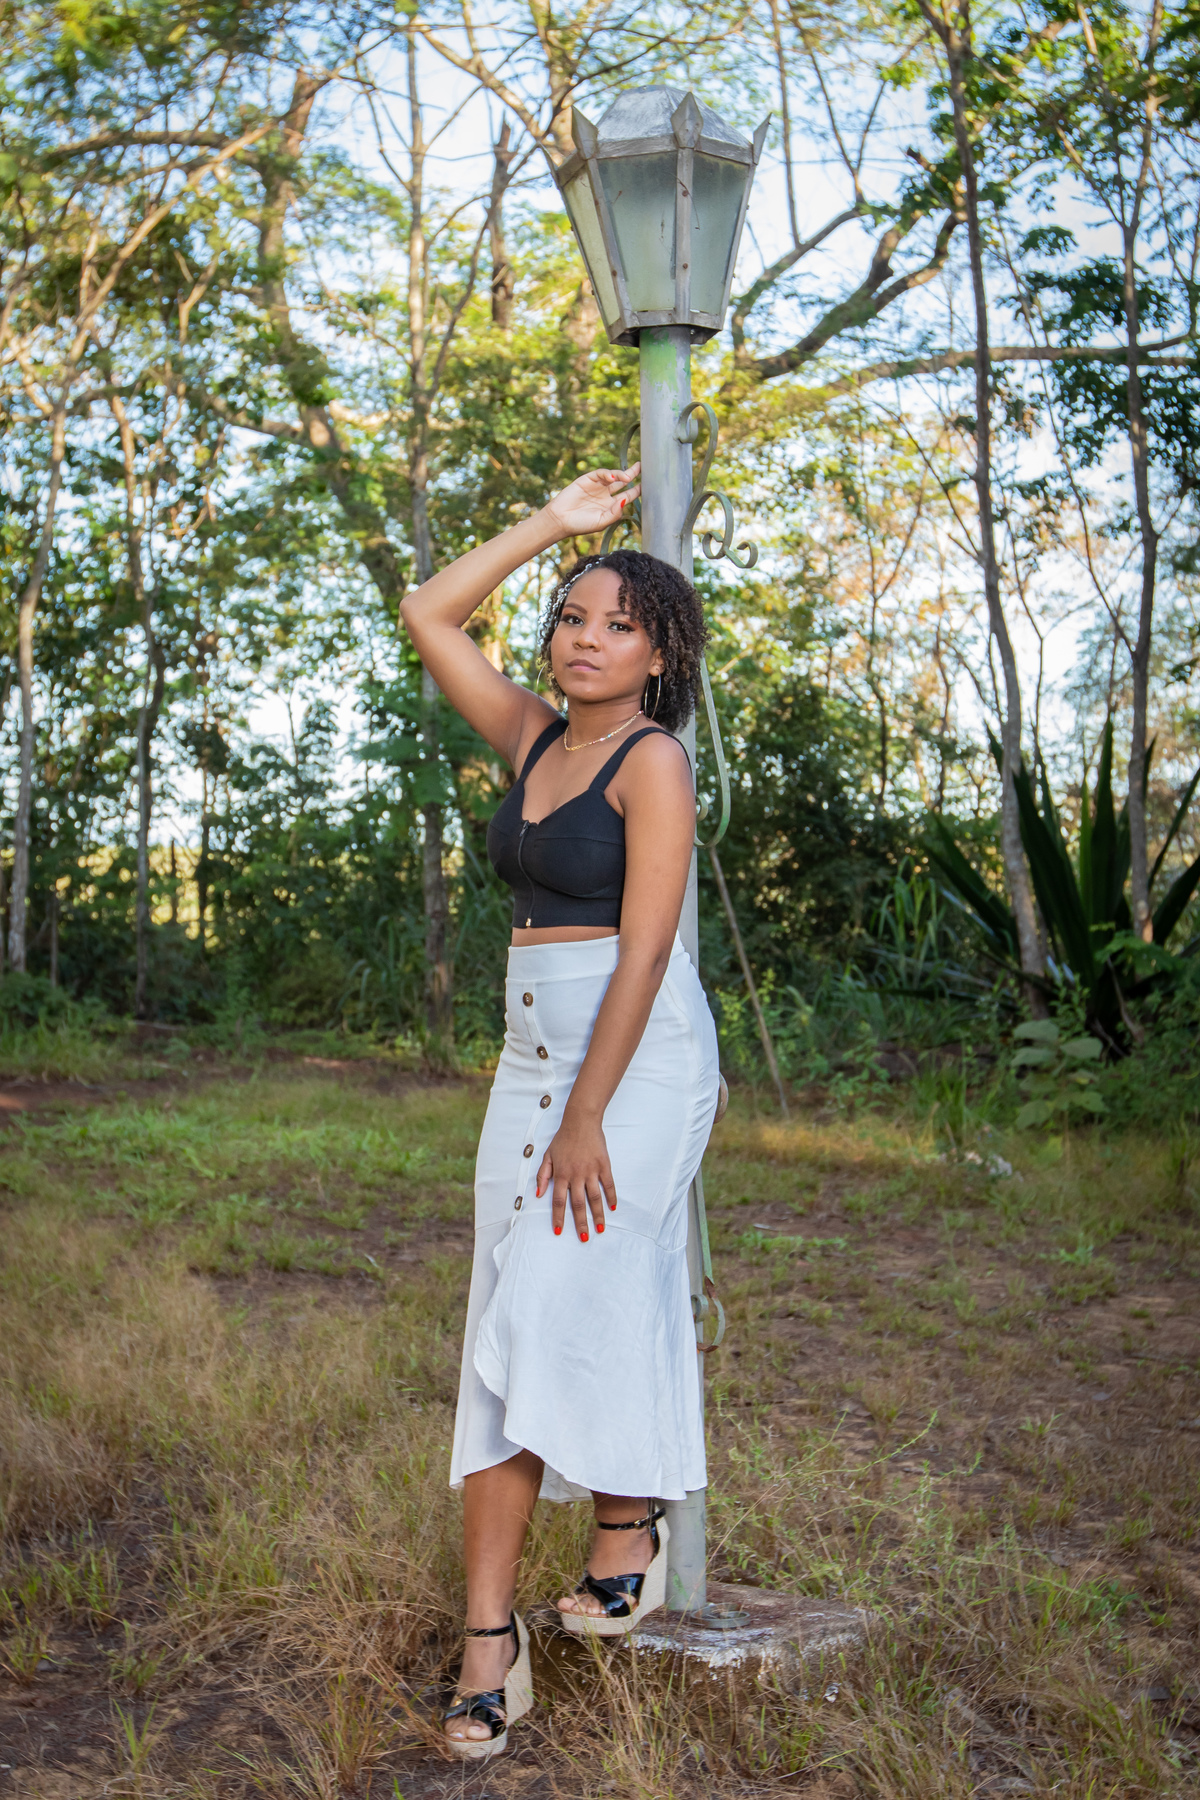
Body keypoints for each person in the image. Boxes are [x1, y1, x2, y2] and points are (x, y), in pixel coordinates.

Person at [398, 465, 720, 1762]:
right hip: (527, 1058)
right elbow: (429, 615)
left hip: (634, 1066)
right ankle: (492, 1638)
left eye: (614, 624)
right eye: (569, 615)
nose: (582, 638)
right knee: (511, 1311)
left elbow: (645, 953)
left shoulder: (655, 765)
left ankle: (628, 1518)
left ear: (658, 655)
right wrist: (551, 523)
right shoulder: (537, 736)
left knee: (566, 1293)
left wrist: (590, 1111)